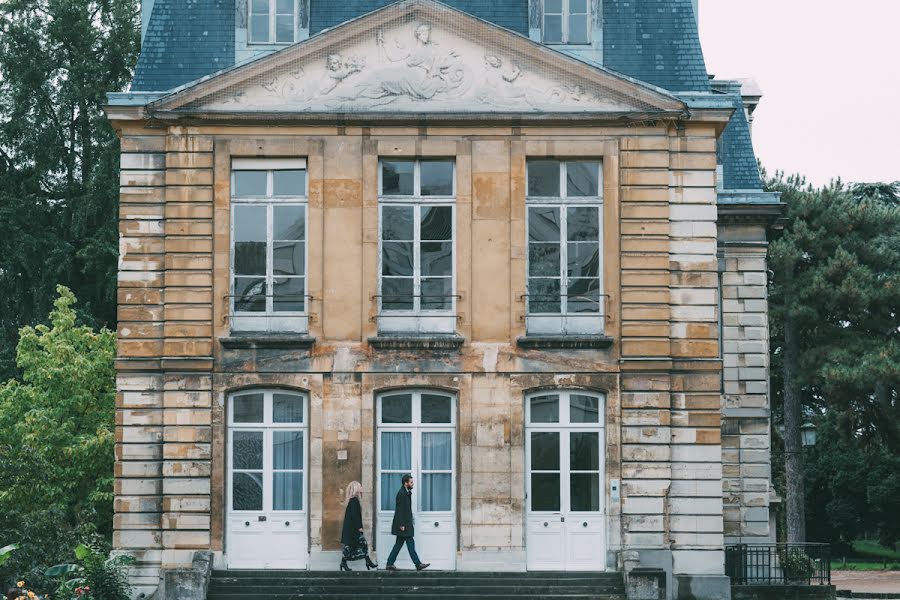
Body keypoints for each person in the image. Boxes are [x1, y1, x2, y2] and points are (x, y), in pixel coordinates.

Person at [385, 474, 430, 571]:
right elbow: (399, 510)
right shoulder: (401, 493)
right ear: (406, 483)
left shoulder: (407, 492)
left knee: (399, 545)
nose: (412, 484)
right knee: (410, 544)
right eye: (411, 482)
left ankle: (389, 563)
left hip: (405, 524)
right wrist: (401, 524)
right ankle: (417, 564)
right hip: (404, 525)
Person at [340, 481, 377, 571]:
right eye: (360, 487)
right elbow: (355, 516)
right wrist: (359, 527)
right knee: (361, 544)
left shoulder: (352, 500)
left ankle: (366, 561)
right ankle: (367, 561)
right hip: (353, 529)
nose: (361, 489)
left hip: (351, 529)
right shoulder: (354, 501)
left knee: (350, 547)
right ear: (356, 488)